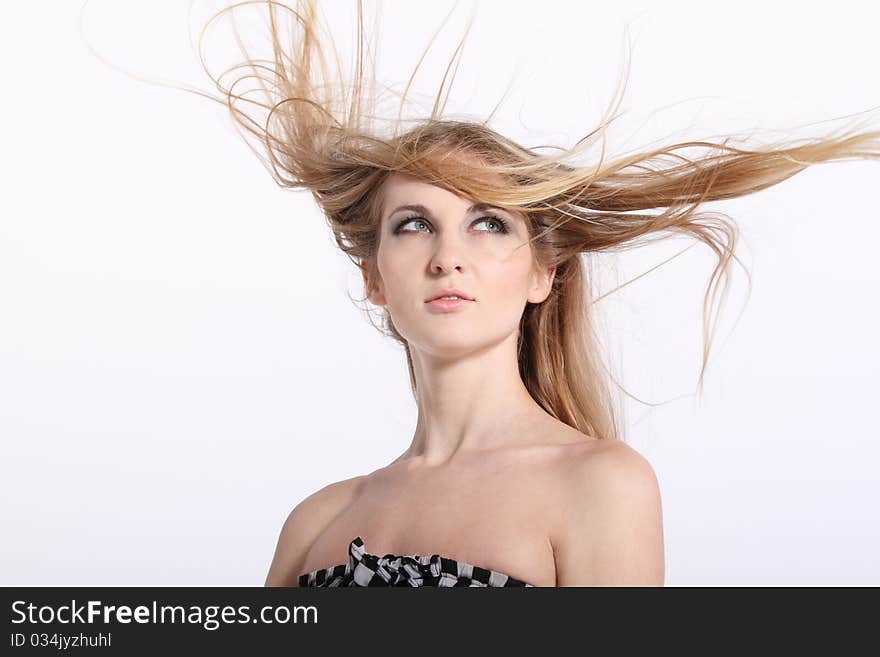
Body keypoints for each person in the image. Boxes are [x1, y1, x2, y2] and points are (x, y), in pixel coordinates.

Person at [134, 0, 879, 586]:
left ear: (540, 273)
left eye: (487, 223)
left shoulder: (600, 487)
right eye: (415, 224)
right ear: (373, 275)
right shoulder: (315, 522)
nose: (448, 257)